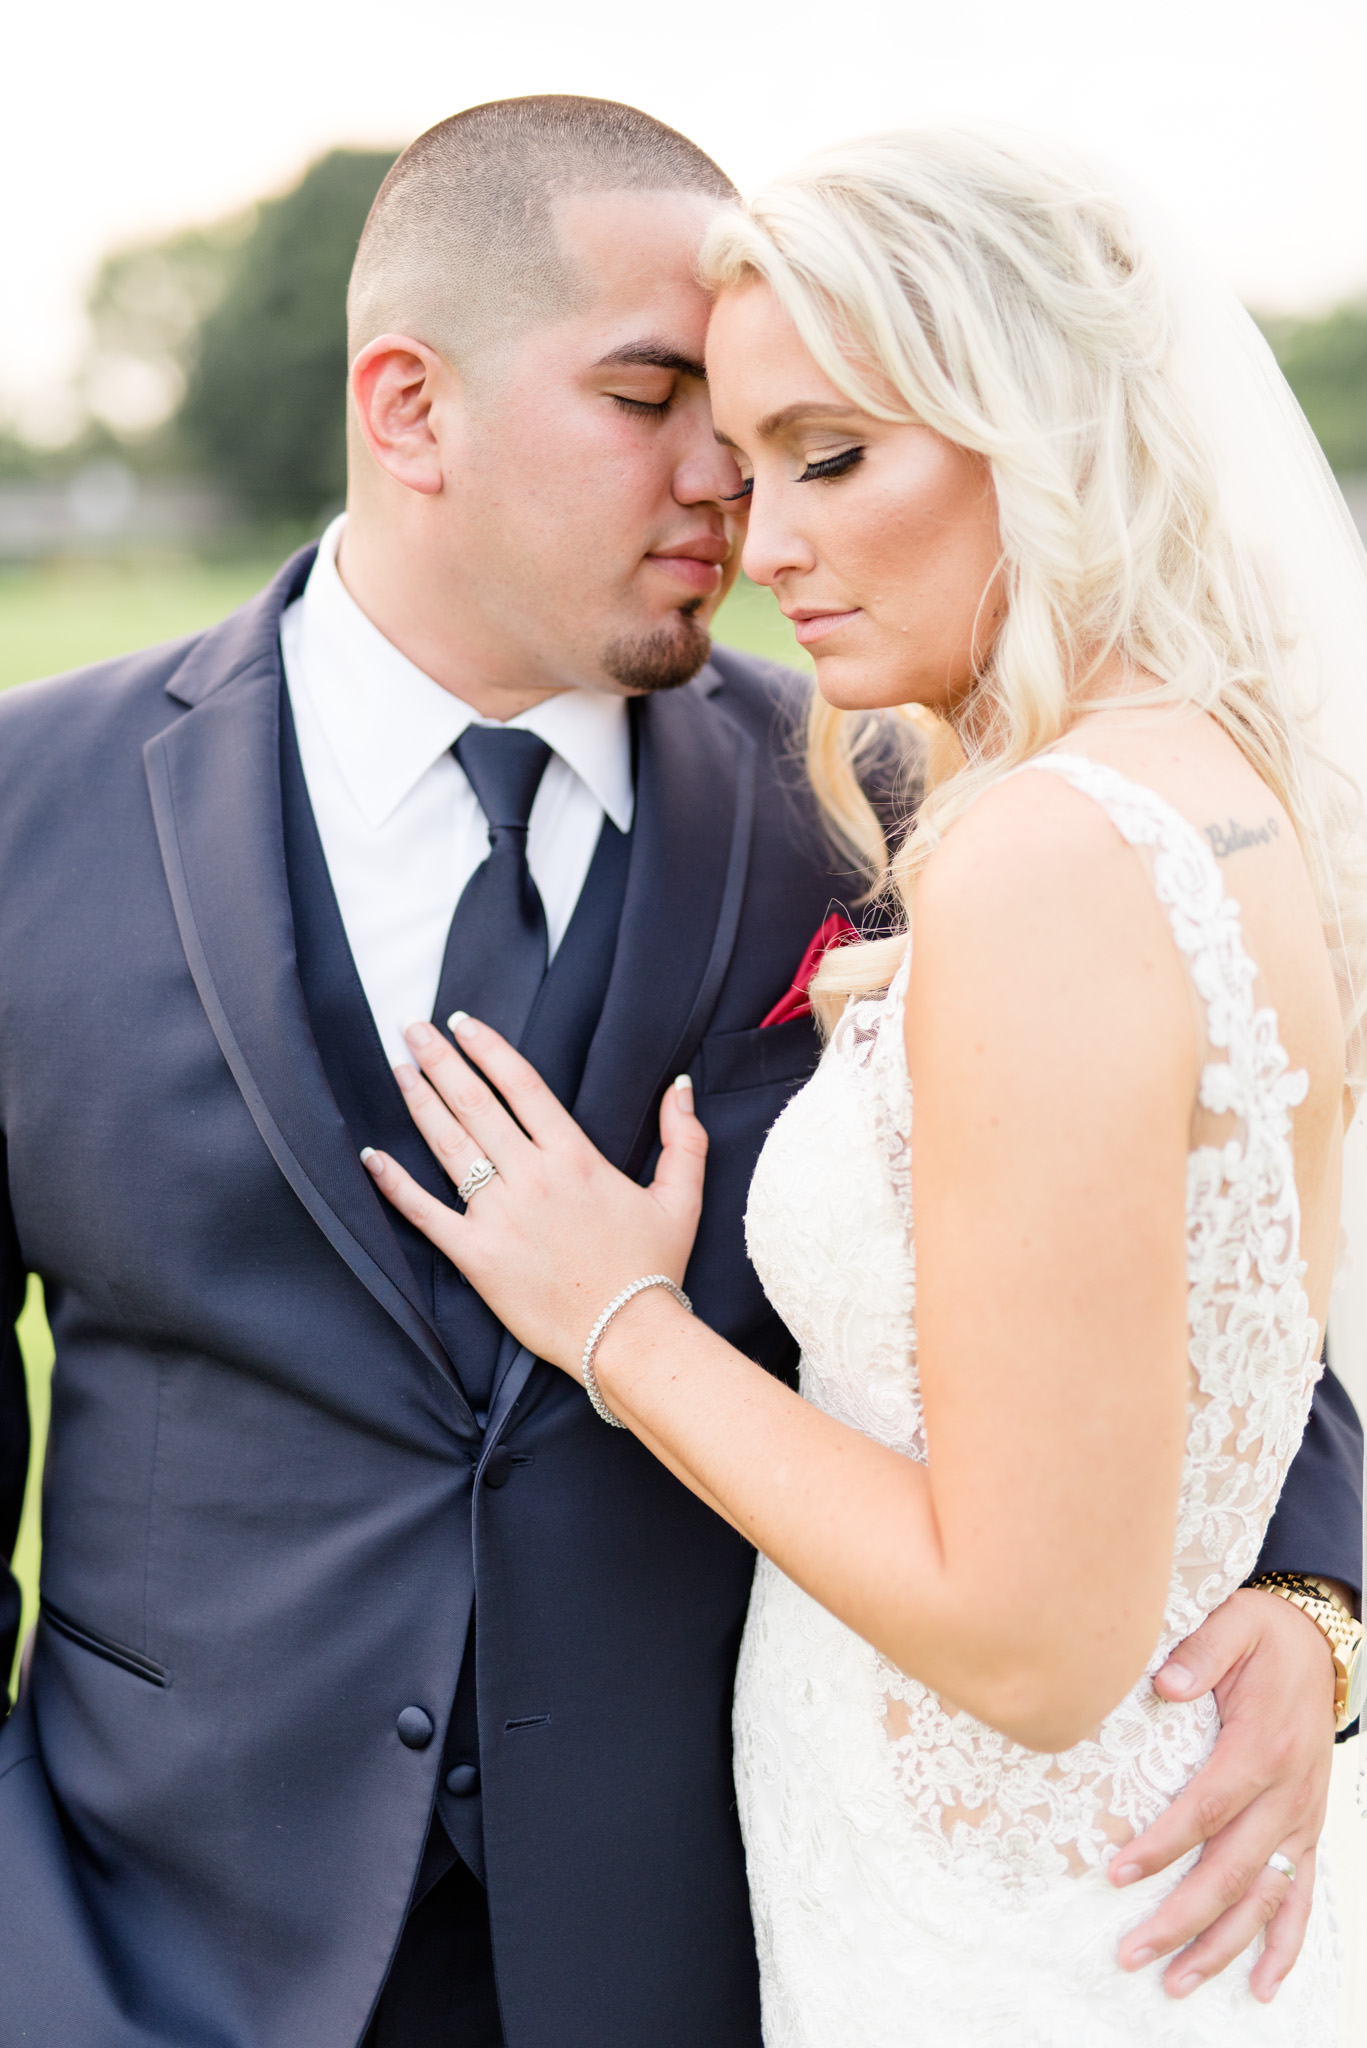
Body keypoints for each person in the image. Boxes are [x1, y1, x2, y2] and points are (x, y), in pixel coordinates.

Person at [0, 100, 1358, 2048]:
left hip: (730, 1958)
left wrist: (1316, 1605)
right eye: (656, 396)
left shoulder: (909, 789)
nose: (730, 481)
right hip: (164, 1967)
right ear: (410, 410)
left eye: (770, 422)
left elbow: (1215, 1233)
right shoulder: (25, 814)